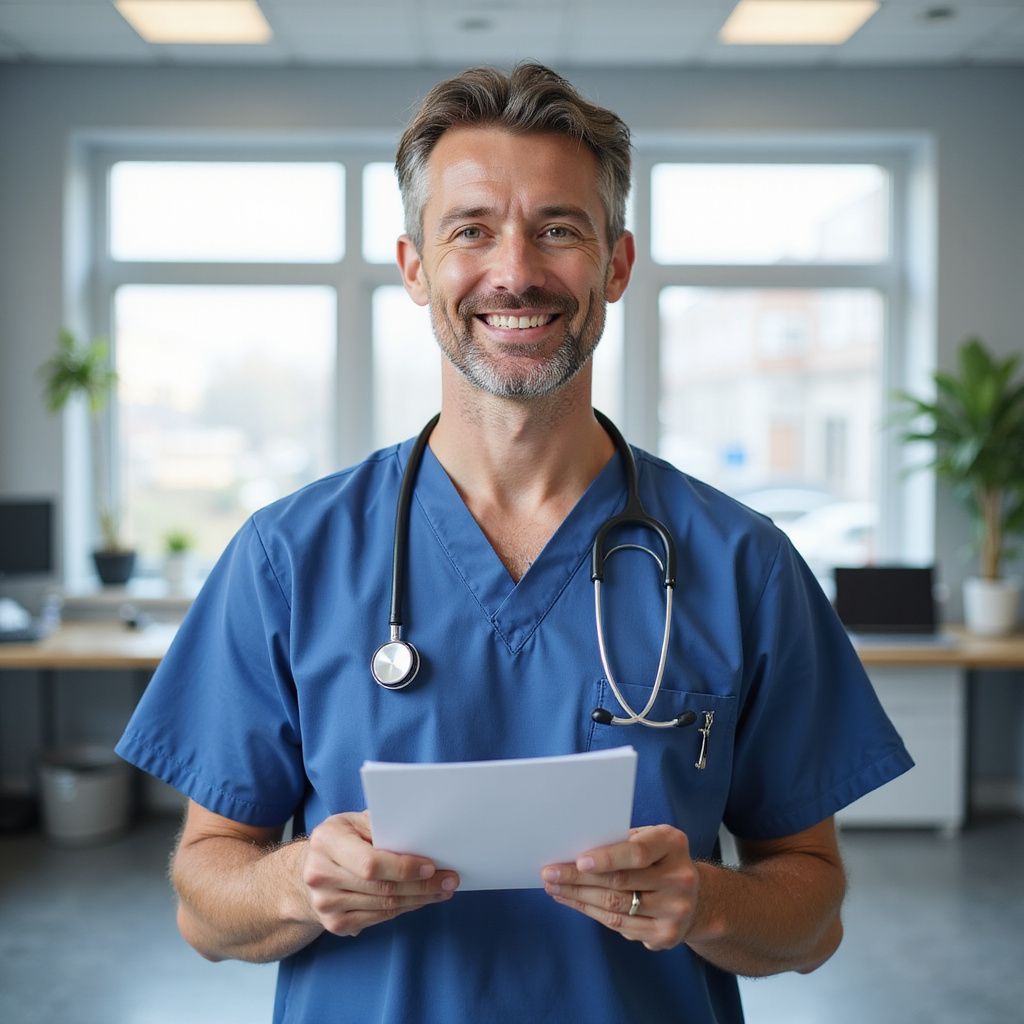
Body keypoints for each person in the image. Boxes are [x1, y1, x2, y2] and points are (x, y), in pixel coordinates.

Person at [116, 63, 913, 1024]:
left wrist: (706, 900)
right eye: (471, 229)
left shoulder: (742, 563)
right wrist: (296, 884)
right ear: (415, 267)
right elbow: (206, 903)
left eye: (559, 229)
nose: (516, 270)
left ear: (616, 265)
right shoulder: (289, 557)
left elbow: (811, 912)